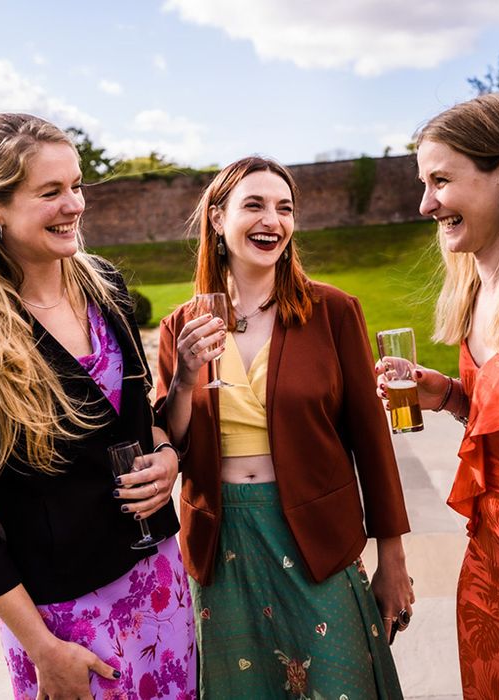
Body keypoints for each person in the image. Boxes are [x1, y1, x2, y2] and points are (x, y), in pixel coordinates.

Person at [0, 114, 196, 699]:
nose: (74, 205)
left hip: (161, 581)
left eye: (77, 185)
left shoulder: (105, 286)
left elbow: (141, 419)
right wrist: (44, 649)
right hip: (67, 622)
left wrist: (166, 458)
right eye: (50, 192)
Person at [154, 155, 413, 698]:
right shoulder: (182, 324)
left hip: (317, 536)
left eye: (285, 208)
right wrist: (184, 376)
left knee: (340, 685)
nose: (272, 219)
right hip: (219, 541)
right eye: (254, 205)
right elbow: (170, 444)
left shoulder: (333, 311)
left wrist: (392, 560)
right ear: (218, 219)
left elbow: (372, 443)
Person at [377, 93, 499, 696]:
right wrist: (449, 395)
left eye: (442, 180)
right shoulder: (475, 290)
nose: (425, 203)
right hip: (487, 558)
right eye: (423, 183)